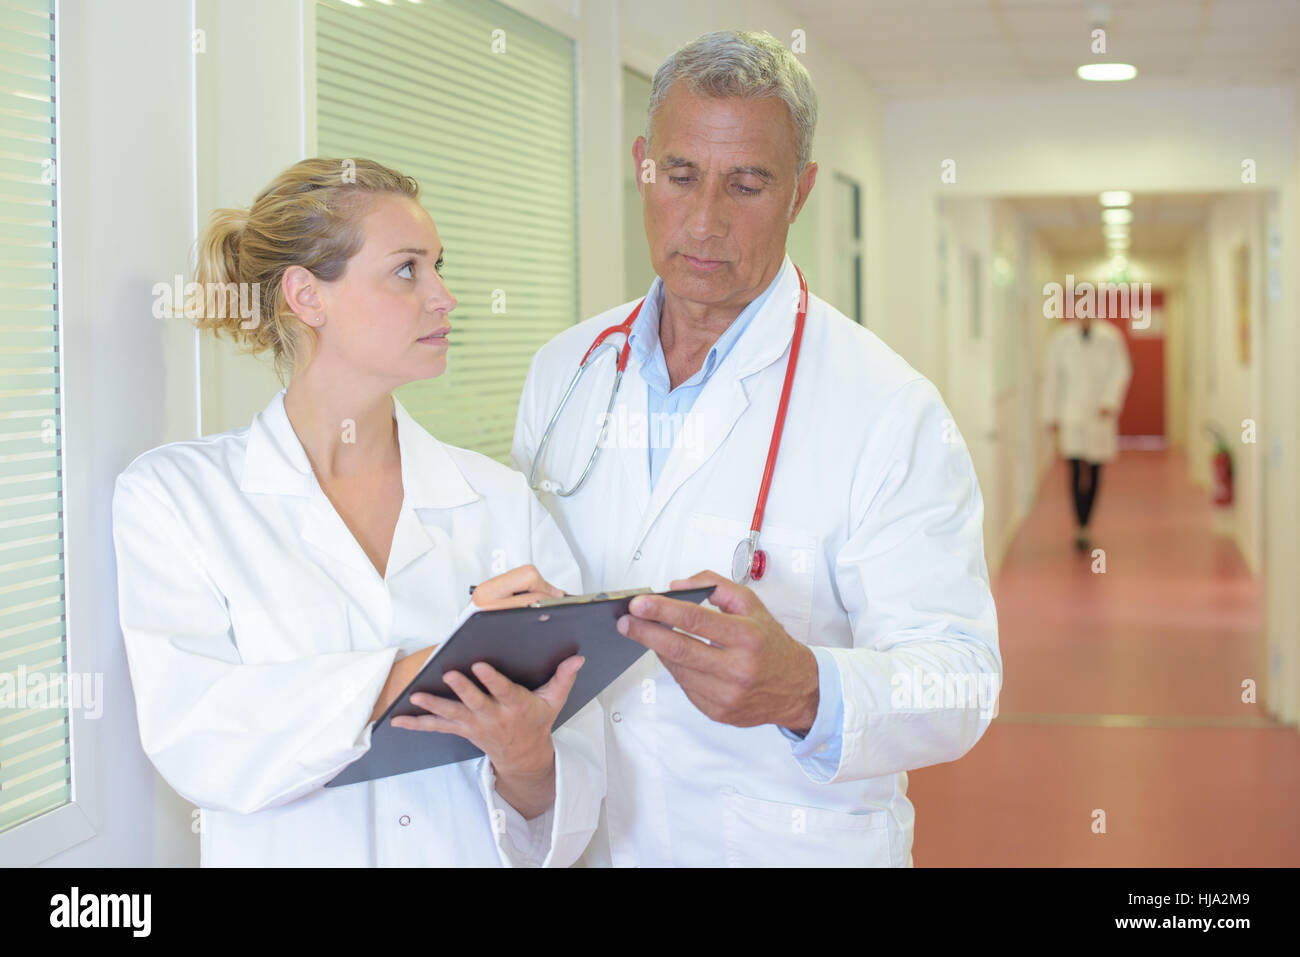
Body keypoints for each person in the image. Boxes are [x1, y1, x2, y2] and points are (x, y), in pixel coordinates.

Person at [512, 31, 1001, 867]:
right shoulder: (566, 370)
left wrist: (807, 687)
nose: (704, 221)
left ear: (801, 191)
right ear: (642, 165)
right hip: (588, 835)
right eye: (679, 176)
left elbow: (961, 680)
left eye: (747, 183)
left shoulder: (888, 407)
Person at [112, 157, 603, 866]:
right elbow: (199, 738)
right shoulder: (177, 499)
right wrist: (438, 663)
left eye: (438, 266)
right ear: (307, 295)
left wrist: (526, 761)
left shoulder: (499, 502)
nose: (445, 296)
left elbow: (573, 776)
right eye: (408, 270)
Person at [1040, 314, 1133, 550]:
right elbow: (1052, 377)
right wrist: (1050, 413)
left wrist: (1109, 401)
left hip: (1098, 412)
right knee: (1073, 466)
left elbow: (1121, 371)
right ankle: (1079, 523)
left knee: (1094, 466)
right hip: (1071, 410)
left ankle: (1087, 521)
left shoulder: (1110, 337)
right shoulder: (1061, 339)